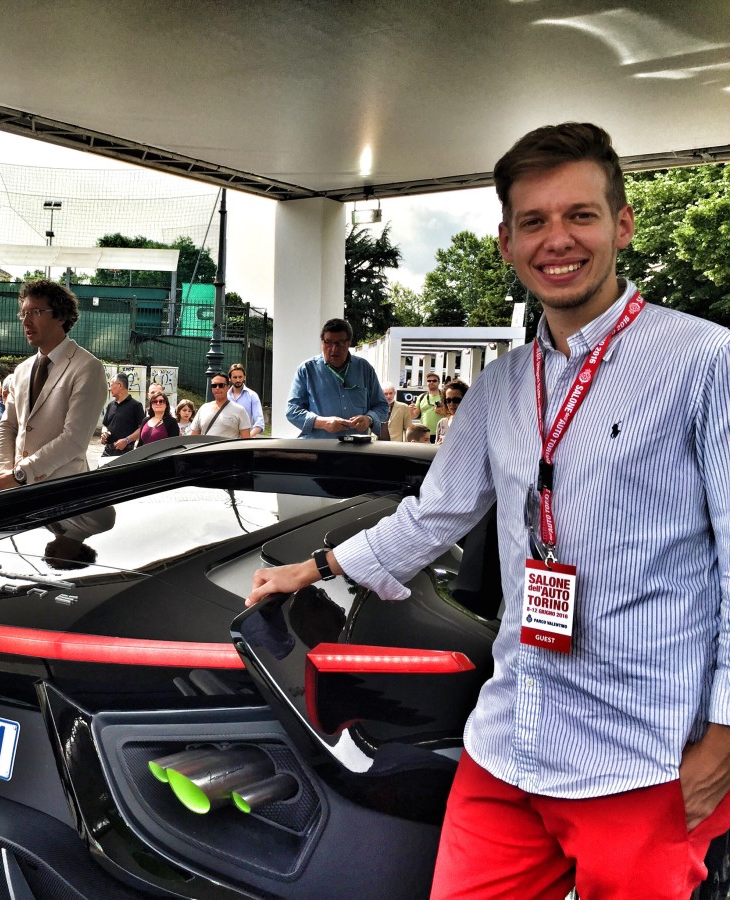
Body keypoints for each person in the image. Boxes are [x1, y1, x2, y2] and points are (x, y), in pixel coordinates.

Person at [247, 123, 730, 898]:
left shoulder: (706, 361)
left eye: (580, 215)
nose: (557, 240)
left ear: (624, 223)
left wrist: (726, 737)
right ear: (507, 241)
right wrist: (314, 567)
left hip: (646, 759)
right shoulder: (503, 385)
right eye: (533, 222)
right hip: (509, 742)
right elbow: (433, 517)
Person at [0, 280, 106, 490]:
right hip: (18, 494)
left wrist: (21, 474)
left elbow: (74, 439)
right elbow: (7, 426)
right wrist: (4, 475)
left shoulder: (88, 368)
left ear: (61, 316)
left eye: (35, 312)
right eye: (23, 314)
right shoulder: (22, 370)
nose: (26, 322)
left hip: (61, 495)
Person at [286, 318, 387, 440]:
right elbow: (292, 411)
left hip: (356, 450)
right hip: (319, 450)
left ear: (349, 343)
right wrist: (322, 422)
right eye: (328, 342)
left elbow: (382, 406)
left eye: (339, 343)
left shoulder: (364, 369)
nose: (333, 349)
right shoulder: (307, 370)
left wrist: (369, 419)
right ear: (322, 342)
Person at [190, 373, 252, 439]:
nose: (217, 388)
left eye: (221, 385)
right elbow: (193, 437)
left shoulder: (239, 410)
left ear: (228, 387)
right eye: (214, 385)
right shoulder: (203, 408)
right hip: (206, 449)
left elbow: (246, 439)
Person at [100, 372, 145, 457]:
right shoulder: (111, 405)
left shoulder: (136, 405)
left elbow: (142, 429)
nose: (109, 389)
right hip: (107, 451)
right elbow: (105, 425)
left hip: (125, 453)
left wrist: (126, 440)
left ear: (120, 385)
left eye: (111, 385)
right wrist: (104, 433)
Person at [228, 363, 265, 436]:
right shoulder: (226, 396)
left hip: (246, 441)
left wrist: (248, 437)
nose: (238, 380)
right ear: (230, 378)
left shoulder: (252, 396)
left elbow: (259, 422)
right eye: (235, 377)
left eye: (240, 377)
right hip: (227, 440)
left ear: (244, 377)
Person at [409, 372, 446, 438]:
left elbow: (452, 414)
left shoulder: (444, 396)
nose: (431, 382)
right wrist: (411, 411)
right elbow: (414, 416)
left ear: (439, 382)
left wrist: (442, 412)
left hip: (441, 433)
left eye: (434, 381)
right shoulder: (421, 397)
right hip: (424, 433)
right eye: (429, 381)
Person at [434, 379, 469, 445]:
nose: (452, 404)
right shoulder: (442, 423)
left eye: (456, 400)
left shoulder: (474, 424)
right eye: (448, 400)